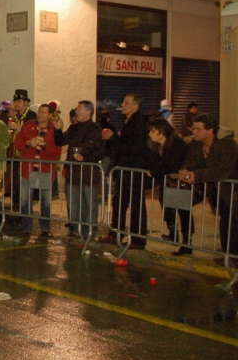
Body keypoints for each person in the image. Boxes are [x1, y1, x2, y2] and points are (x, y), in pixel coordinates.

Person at [179, 114, 238, 265]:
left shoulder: (226, 144)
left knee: (233, 221)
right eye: (194, 128)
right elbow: (193, 162)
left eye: (198, 129)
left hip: (233, 189)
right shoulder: (197, 144)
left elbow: (225, 169)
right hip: (219, 189)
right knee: (226, 221)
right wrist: (185, 171)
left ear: (211, 130)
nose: (194, 132)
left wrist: (197, 176)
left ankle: (233, 257)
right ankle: (229, 255)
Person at [99, 94, 153, 249]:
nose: (122, 104)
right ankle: (116, 232)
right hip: (126, 170)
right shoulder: (129, 122)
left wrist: (113, 137)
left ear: (135, 106)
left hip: (134, 171)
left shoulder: (137, 123)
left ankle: (137, 239)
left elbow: (131, 147)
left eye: (126, 102)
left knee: (136, 205)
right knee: (119, 202)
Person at [14, 104, 63, 238]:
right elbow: (17, 143)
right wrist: (29, 142)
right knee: (25, 200)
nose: (40, 114)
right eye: (39, 112)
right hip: (27, 170)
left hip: (45, 171)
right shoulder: (27, 126)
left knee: (46, 202)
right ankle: (26, 228)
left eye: (44, 112)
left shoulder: (55, 130)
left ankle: (45, 228)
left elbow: (57, 152)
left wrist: (45, 145)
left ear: (50, 115)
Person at [58, 101, 104, 241]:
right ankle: (75, 229)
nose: (76, 111)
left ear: (88, 112)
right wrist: (57, 130)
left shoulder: (96, 129)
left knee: (89, 205)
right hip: (73, 172)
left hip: (89, 174)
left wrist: (85, 157)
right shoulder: (73, 128)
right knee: (73, 203)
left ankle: (88, 231)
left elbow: (100, 152)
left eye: (79, 109)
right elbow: (61, 141)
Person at [147, 118, 192, 255]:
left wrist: (154, 172)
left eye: (152, 131)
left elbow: (172, 166)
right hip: (168, 182)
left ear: (161, 132)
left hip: (179, 183)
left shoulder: (175, 145)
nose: (149, 134)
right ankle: (173, 233)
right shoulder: (158, 146)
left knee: (184, 212)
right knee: (168, 207)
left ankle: (186, 242)